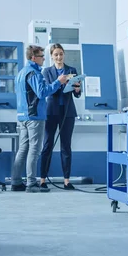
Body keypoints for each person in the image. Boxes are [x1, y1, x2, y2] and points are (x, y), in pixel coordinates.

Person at [12, 45, 67, 193]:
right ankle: (31, 183)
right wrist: (58, 82)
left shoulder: (21, 73)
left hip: (22, 116)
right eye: (42, 56)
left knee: (23, 149)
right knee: (34, 150)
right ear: (33, 57)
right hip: (34, 116)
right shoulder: (34, 73)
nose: (44, 58)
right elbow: (42, 93)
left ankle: (16, 182)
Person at [39, 43, 82, 190]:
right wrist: (60, 82)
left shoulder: (72, 70)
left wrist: (76, 89)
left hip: (68, 112)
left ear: (64, 55)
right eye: (56, 54)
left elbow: (77, 94)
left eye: (61, 54)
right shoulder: (47, 71)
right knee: (47, 145)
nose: (59, 57)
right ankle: (43, 180)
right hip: (51, 112)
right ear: (51, 56)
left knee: (66, 147)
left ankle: (66, 181)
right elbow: (48, 90)